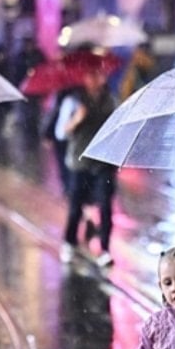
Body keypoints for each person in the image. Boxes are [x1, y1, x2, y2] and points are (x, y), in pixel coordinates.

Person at [59, 68, 118, 266]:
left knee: (105, 206)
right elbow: (61, 133)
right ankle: (69, 243)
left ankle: (104, 248)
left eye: (99, 74)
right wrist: (77, 119)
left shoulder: (111, 101)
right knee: (76, 206)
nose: (96, 79)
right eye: (91, 74)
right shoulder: (73, 101)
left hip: (103, 163)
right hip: (80, 162)